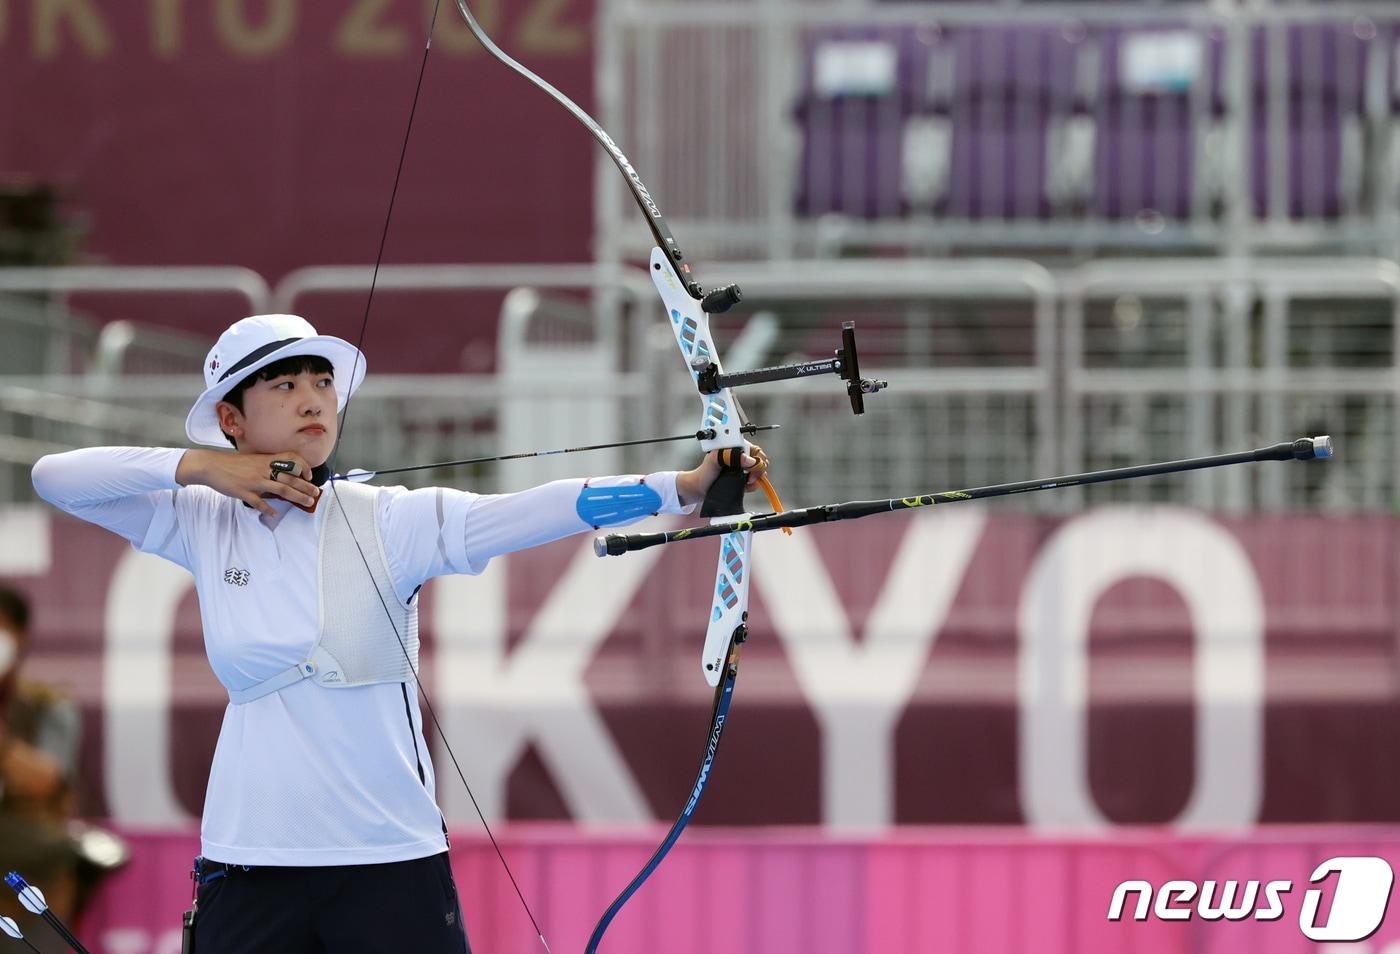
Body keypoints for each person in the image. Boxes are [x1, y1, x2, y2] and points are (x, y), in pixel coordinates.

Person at [30, 313, 769, 954]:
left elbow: (534, 509)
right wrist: (202, 470)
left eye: (321, 382)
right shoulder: (198, 519)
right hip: (250, 858)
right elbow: (54, 476)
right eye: (282, 386)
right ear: (232, 419)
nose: (313, 399)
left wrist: (682, 487)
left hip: (390, 860)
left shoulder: (390, 519)